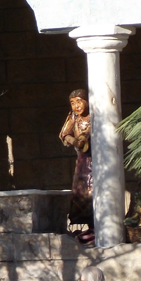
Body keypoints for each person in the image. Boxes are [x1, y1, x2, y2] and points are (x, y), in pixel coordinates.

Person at [58, 88, 94, 242]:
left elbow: (89, 134)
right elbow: (64, 134)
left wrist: (84, 139)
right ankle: (87, 225)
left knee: (94, 190)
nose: (76, 106)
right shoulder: (74, 117)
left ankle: (97, 225)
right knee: (81, 191)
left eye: (79, 101)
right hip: (82, 159)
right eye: (72, 103)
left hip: (96, 158)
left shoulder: (94, 116)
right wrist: (75, 141)